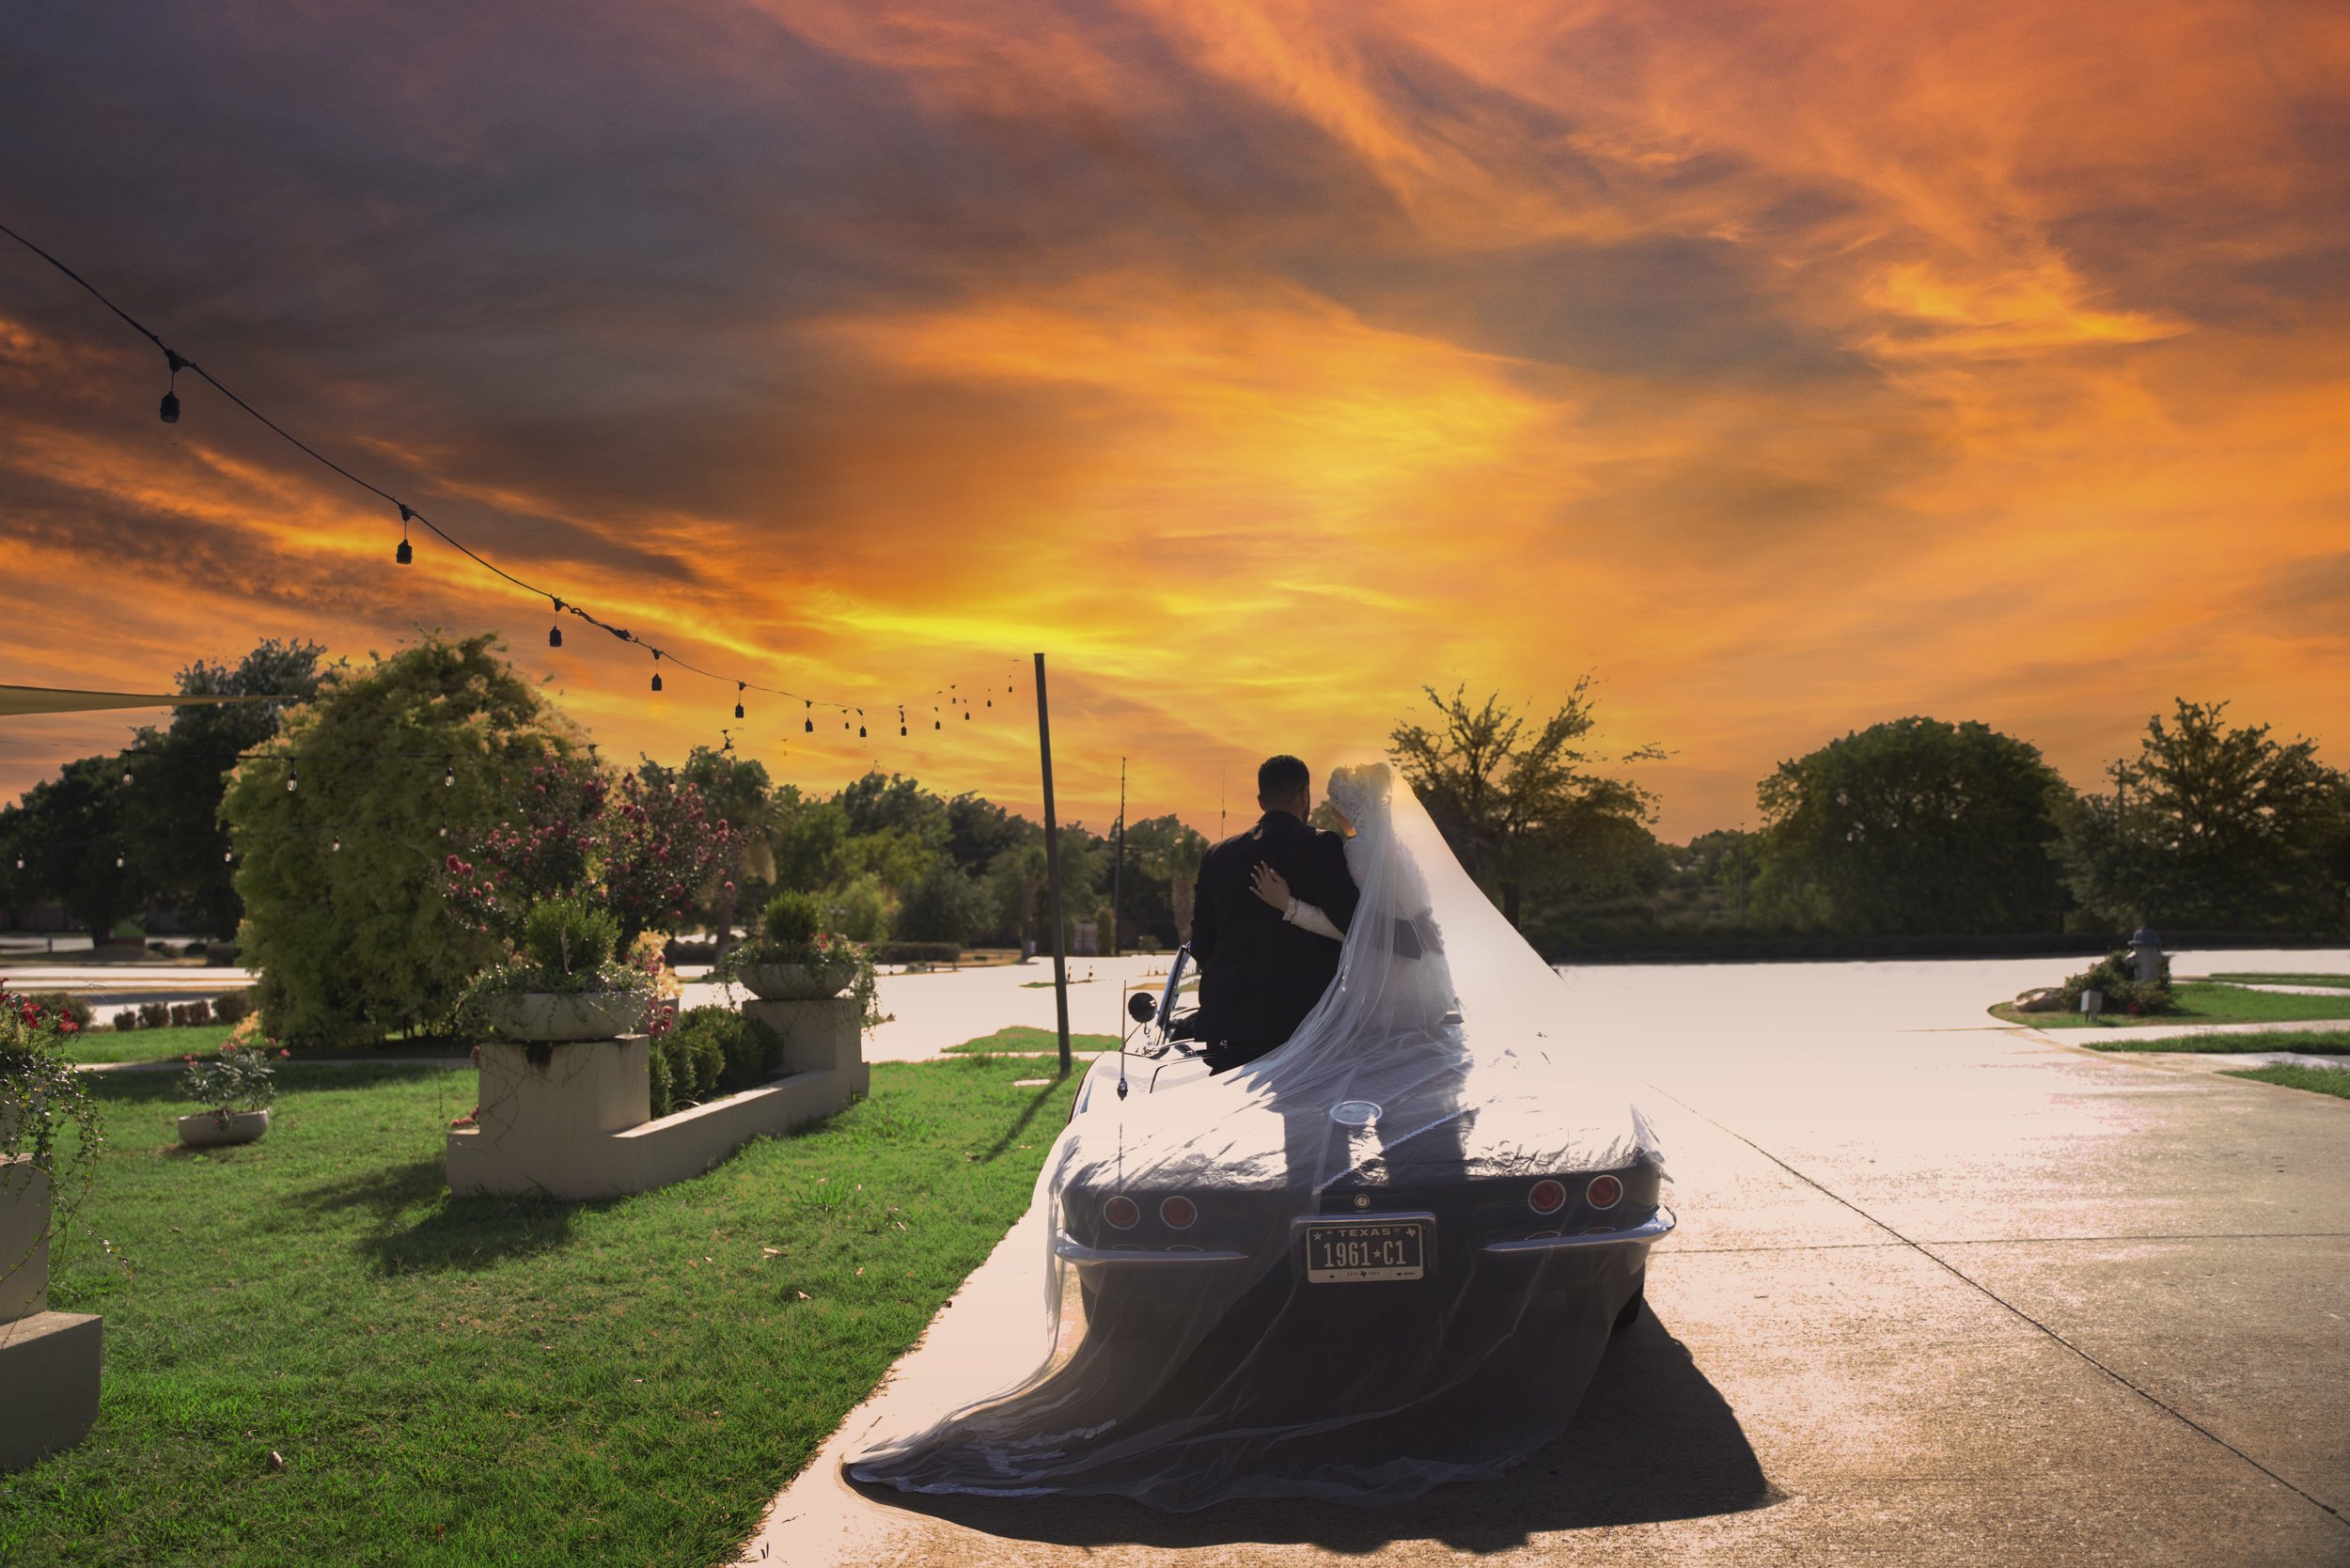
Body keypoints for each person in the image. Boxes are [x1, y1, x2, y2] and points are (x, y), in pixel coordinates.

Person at [1187, 754, 1359, 1073]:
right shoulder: (1320, 845)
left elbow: (1201, 944)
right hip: (1303, 1025)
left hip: (1230, 1026)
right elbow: (1354, 924)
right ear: (1305, 795)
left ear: (1261, 800)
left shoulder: (1216, 854)